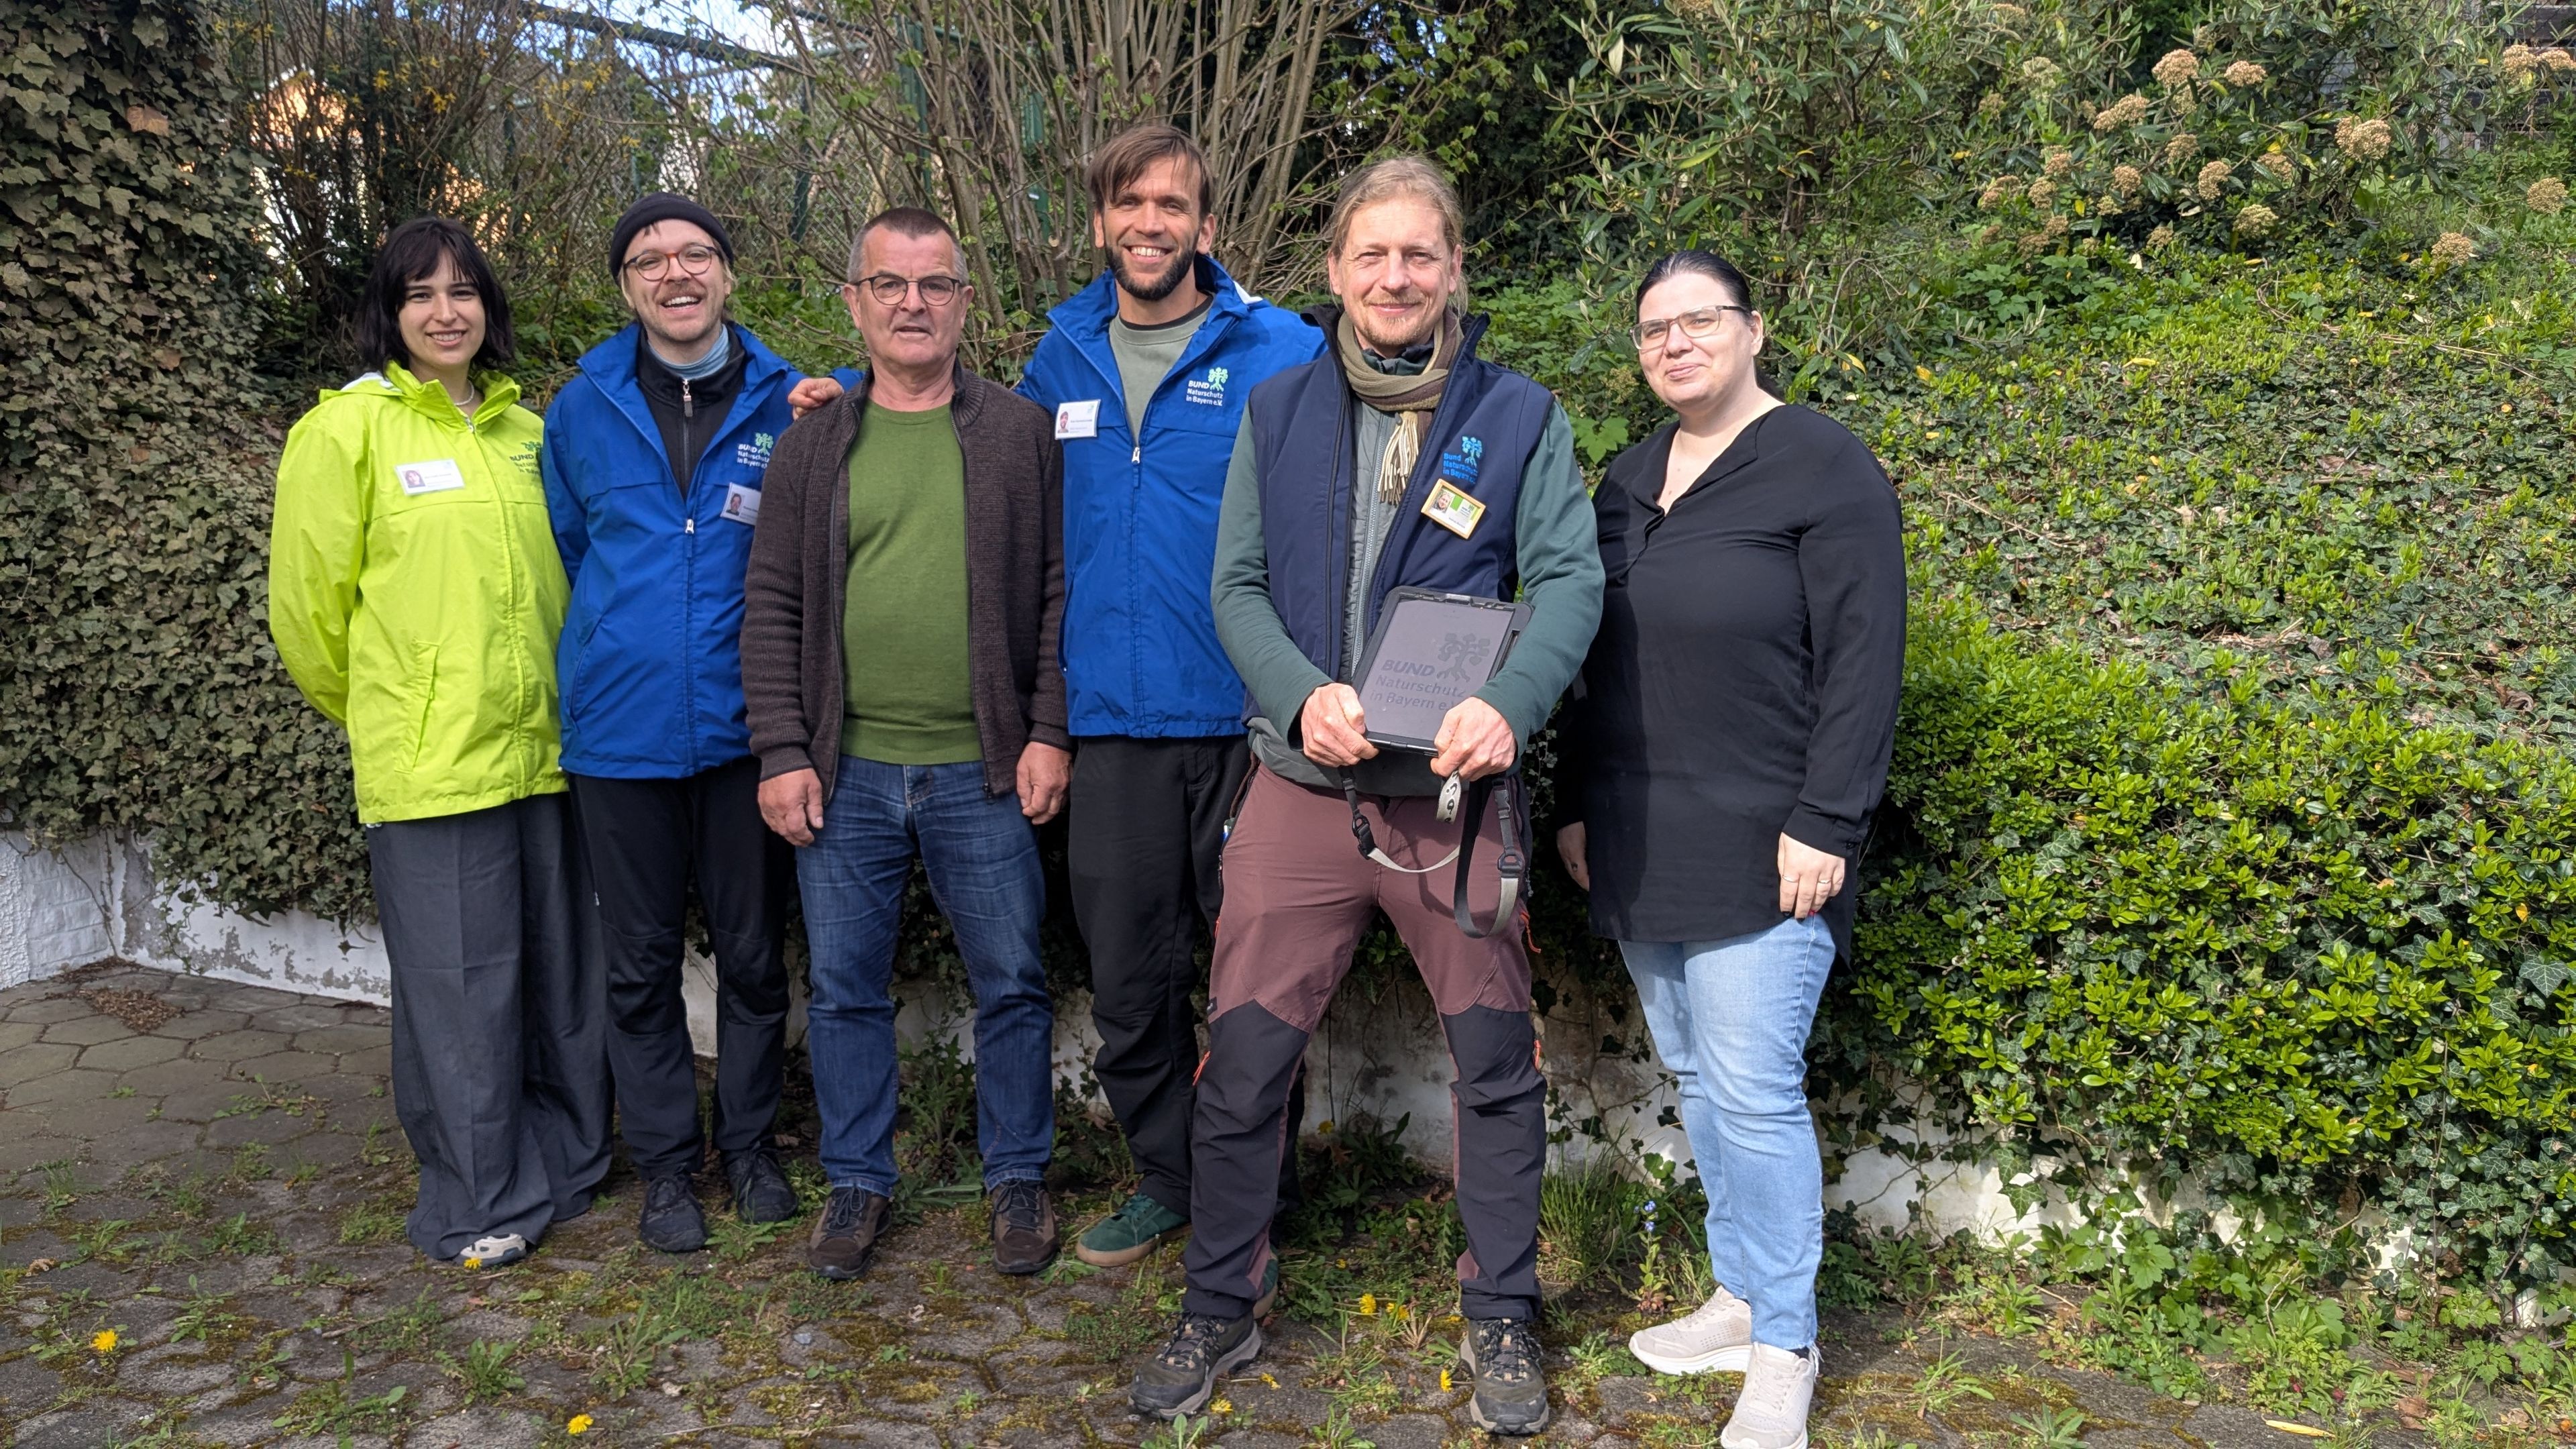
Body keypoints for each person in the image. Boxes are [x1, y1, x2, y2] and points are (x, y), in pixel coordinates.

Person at [1127, 156, 1603, 1436]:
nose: (1395, 277)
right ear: (1334, 271)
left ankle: (1502, 1310)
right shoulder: (1276, 410)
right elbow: (1233, 587)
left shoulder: (1520, 418)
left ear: (1453, 269)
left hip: (1448, 805)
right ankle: (1221, 1302)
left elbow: (1569, 585)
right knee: (1242, 1070)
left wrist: (1508, 705)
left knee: (1498, 1063)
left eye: (1420, 255)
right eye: (1371, 255)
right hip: (1297, 789)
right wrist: (1296, 696)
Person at [1555, 250, 1905, 1449]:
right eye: (1653, 328)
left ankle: (1787, 1347)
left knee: (1755, 1091)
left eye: (1699, 320)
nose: (1675, 343)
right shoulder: (1625, 481)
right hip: (1641, 831)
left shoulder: (1825, 465)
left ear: (1754, 329)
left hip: (1771, 838)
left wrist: (1830, 819)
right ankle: (1743, 1291)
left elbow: (1867, 659)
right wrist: (1570, 803)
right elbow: (1586, 658)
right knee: (1700, 1080)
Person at [269, 216, 610, 1269]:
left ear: (489, 309)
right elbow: (310, 620)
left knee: (559, 978)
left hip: (546, 754)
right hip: (434, 767)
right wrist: (396, 712)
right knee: (461, 994)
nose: (446, 311)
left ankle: (570, 1165)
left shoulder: (528, 434)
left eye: (464, 291)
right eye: (421, 294)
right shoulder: (346, 433)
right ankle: (479, 1201)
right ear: (391, 312)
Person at [741, 206, 1071, 1281]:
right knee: (843, 989)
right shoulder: (812, 444)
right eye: (890, 284)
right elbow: (773, 602)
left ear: (966, 301)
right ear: (855, 302)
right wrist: (783, 748)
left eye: (936, 284)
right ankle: (857, 1184)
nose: (913, 304)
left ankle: (1017, 1176)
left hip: (984, 770)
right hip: (848, 773)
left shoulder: (1020, 435)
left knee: (1014, 981)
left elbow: (1057, 596)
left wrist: (1048, 732)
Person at [538, 194, 804, 1254]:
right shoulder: (580, 407)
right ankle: (664, 1169)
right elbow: (570, 546)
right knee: (638, 966)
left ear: (729, 275)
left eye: (697, 253)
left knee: (751, 958)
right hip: (620, 734)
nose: (676, 272)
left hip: (750, 738)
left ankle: (747, 1147)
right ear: (626, 287)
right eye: (650, 259)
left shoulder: (797, 402)